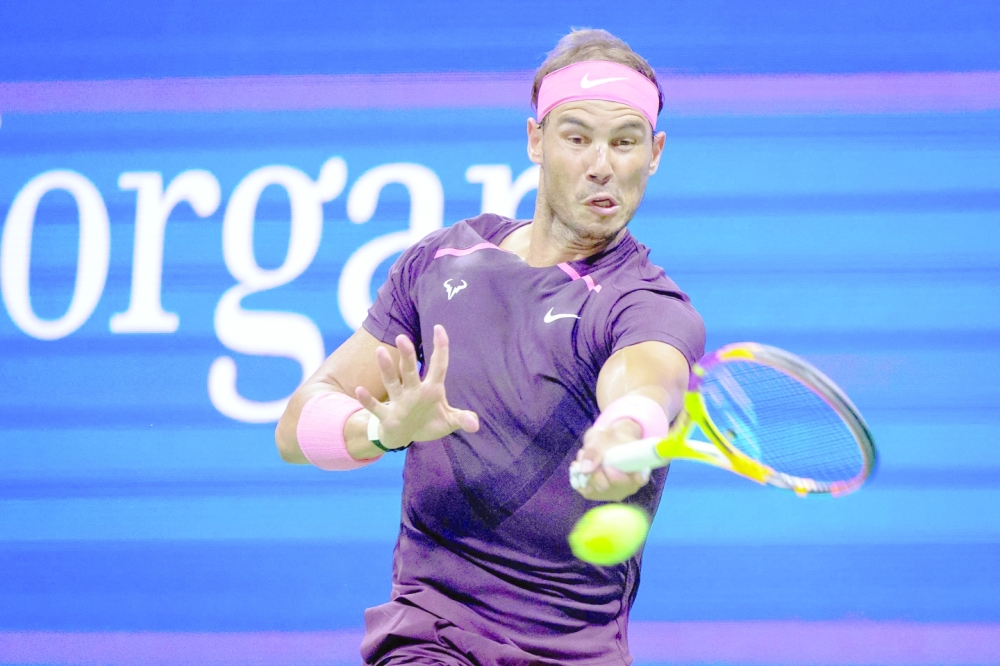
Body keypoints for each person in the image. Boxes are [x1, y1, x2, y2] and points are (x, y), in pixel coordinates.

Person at [275, 28, 705, 666]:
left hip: (570, 651)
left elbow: (651, 375)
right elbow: (293, 428)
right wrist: (380, 428)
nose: (602, 165)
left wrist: (629, 423)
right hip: (432, 634)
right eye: (577, 136)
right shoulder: (442, 258)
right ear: (535, 139)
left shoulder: (643, 302)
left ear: (655, 152)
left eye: (625, 142)